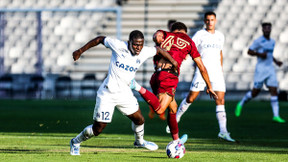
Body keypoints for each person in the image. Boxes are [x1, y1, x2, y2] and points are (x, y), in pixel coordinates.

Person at [70, 30, 178, 155]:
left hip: (124, 93)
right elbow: (100, 39)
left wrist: (173, 61)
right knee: (98, 129)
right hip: (108, 93)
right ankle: (75, 141)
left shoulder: (144, 51)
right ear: (129, 42)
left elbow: (159, 50)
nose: (138, 48)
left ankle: (139, 141)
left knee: (139, 120)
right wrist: (80, 51)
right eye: (136, 44)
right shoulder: (119, 46)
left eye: (141, 44)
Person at [131, 22, 218, 145]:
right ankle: (136, 86)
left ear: (173, 29)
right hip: (169, 76)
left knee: (173, 108)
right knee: (160, 110)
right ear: (185, 31)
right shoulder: (189, 42)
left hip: (156, 76)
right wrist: (209, 86)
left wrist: (159, 40)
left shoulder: (168, 34)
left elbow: (157, 36)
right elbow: (201, 67)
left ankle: (176, 141)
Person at [168, 11, 235, 142]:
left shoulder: (220, 36)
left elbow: (220, 53)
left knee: (220, 100)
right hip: (201, 71)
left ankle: (223, 132)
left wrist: (220, 69)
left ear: (215, 20)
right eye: (208, 20)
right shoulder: (199, 35)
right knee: (191, 98)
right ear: (205, 21)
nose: (210, 22)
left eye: (212, 20)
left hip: (216, 73)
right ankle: (176, 118)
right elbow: (189, 49)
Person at [235, 22, 285, 123]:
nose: (267, 30)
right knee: (255, 92)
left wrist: (276, 61)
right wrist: (259, 54)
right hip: (260, 70)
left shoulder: (272, 41)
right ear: (262, 30)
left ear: (270, 29)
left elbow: (270, 55)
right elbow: (249, 51)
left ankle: (276, 115)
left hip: (270, 69)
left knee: (274, 90)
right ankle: (241, 103)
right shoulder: (258, 41)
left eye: (269, 28)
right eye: (265, 28)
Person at [148, 19, 177, 121]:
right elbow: (156, 42)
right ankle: (157, 110)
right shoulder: (164, 38)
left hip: (170, 73)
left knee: (172, 105)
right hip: (162, 72)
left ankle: (174, 134)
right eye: (171, 27)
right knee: (162, 97)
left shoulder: (177, 41)